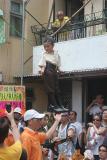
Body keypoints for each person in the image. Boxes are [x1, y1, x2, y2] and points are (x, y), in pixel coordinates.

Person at [38, 37, 67, 112]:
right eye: (45, 47)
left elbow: (57, 63)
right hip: (47, 70)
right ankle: (55, 105)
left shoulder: (56, 53)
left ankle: (61, 105)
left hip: (54, 70)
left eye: (48, 46)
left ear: (53, 45)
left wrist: (59, 70)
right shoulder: (44, 54)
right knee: (51, 89)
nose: (46, 48)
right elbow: (43, 64)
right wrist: (42, 70)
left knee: (57, 89)